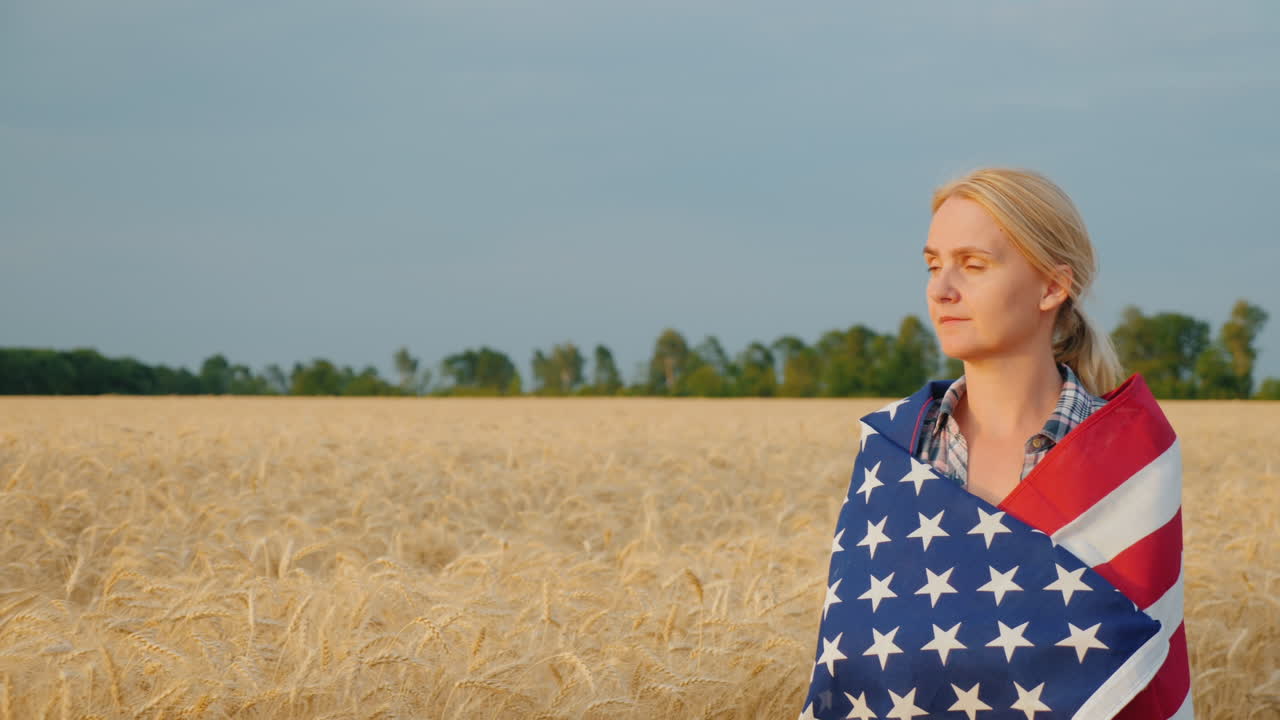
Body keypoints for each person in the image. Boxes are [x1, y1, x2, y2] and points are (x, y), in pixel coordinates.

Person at [797, 168, 1192, 720]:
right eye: (933, 265)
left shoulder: (1132, 459)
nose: (941, 289)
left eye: (973, 265)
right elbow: (860, 669)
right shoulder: (892, 451)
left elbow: (1140, 676)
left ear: (1053, 287)